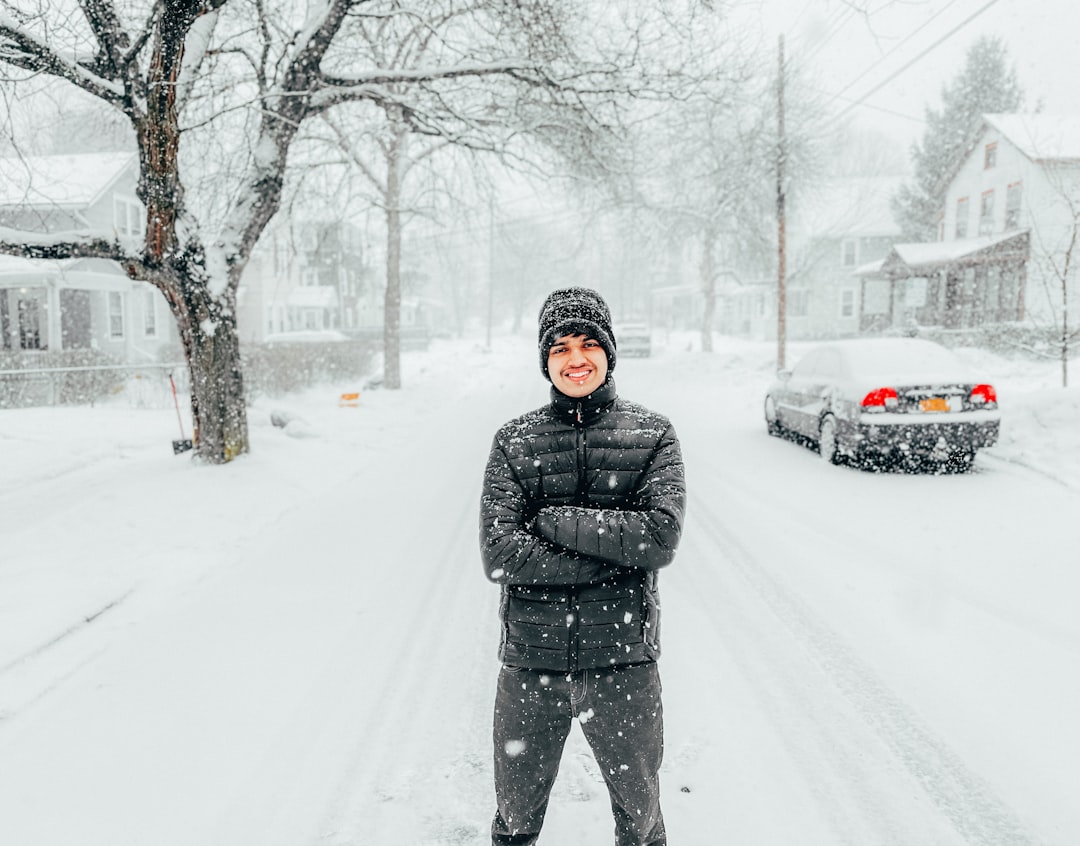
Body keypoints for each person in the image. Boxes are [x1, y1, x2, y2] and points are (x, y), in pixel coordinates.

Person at [479, 287, 686, 846]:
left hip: (623, 662)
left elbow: (659, 538)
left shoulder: (653, 436)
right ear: (545, 359)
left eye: (588, 343)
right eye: (560, 347)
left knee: (641, 818)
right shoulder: (513, 442)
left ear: (609, 352)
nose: (576, 359)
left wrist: (551, 521)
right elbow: (500, 555)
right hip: (531, 663)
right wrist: (611, 559)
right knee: (514, 820)